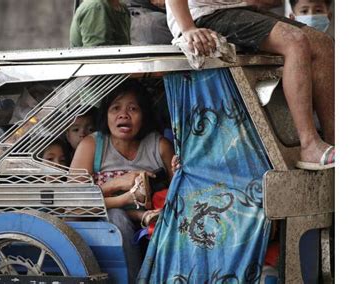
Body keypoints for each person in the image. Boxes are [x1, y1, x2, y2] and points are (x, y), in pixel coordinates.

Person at [165, 0, 335, 170]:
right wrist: (188, 28)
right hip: (201, 15)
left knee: (323, 44)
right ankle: (309, 145)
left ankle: (332, 142)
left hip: (239, 9)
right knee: (294, 41)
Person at [70, 79, 175, 283]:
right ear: (106, 115)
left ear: (143, 115)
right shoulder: (92, 145)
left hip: (154, 220)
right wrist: (118, 184)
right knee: (117, 218)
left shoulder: (159, 146)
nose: (123, 115)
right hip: (103, 229)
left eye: (133, 109)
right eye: (115, 108)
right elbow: (74, 204)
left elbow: (179, 191)